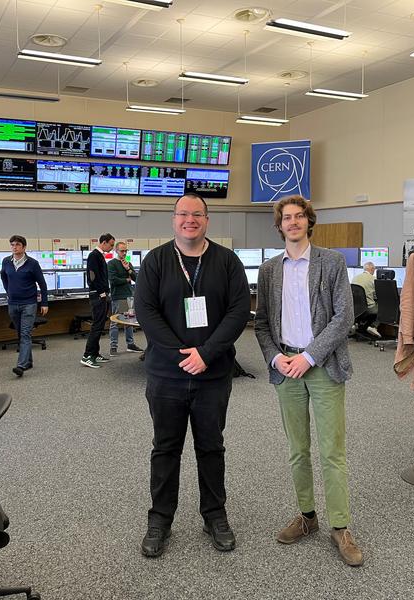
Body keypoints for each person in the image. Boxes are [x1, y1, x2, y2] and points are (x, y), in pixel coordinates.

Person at [135, 193, 250, 558]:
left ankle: (214, 515)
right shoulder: (155, 261)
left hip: (213, 375)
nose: (190, 220)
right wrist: (181, 355)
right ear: (173, 220)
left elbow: (238, 311)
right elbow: (146, 312)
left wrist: (206, 353)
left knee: (211, 448)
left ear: (207, 219)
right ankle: (160, 520)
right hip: (166, 375)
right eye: (183, 214)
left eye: (197, 214)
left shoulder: (227, 261)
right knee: (165, 449)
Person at [254, 195, 363, 567]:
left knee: (332, 452)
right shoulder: (269, 270)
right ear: (279, 224)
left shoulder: (331, 262)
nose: (294, 222)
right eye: (287, 217)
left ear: (308, 222)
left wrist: (308, 356)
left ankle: (340, 527)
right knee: (297, 450)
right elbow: (262, 323)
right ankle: (307, 517)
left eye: (300, 216)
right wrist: (276, 357)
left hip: (322, 365)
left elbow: (343, 317)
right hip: (285, 366)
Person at [0, 235, 48, 378]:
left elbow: (43, 284)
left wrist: (44, 303)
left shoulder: (32, 263)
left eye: (17, 245)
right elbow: (4, 277)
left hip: (29, 303)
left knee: (25, 334)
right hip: (13, 304)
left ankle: (20, 365)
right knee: (21, 333)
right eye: (12, 245)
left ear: (24, 247)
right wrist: (9, 292)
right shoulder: (6, 262)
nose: (14, 247)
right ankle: (28, 361)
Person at [81, 233, 115, 368]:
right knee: (96, 326)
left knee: (100, 325)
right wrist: (101, 293)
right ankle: (87, 355)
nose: (112, 248)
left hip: (102, 294)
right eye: (111, 245)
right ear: (104, 242)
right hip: (97, 295)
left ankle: (95, 353)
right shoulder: (94, 255)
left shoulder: (100, 255)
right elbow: (92, 276)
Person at [107, 241, 143, 355]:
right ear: (116, 251)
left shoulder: (128, 263)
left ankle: (130, 344)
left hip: (129, 295)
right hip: (118, 296)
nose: (124, 253)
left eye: (126, 251)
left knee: (130, 321)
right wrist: (126, 280)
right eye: (122, 251)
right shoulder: (111, 264)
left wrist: (128, 269)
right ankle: (113, 346)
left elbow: (136, 278)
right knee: (115, 322)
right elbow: (113, 280)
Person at [351, 261, 381, 338]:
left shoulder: (355, 278)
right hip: (369, 308)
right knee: (385, 308)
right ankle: (373, 326)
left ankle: (360, 326)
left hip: (356, 308)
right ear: (372, 269)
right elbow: (379, 294)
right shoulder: (373, 279)